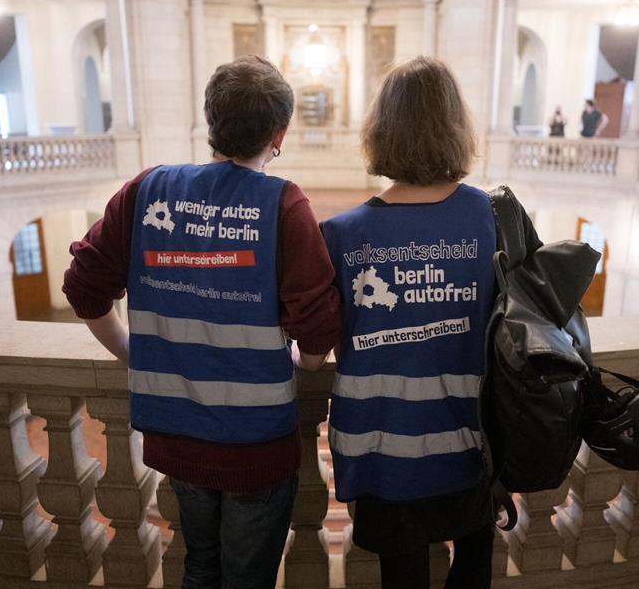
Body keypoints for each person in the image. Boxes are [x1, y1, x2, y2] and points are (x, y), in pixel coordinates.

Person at [63, 55, 340, 589]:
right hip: (255, 443)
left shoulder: (148, 189)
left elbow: (83, 285)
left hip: (177, 432)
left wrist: (132, 350)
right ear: (279, 133)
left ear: (210, 119)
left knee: (199, 567)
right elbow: (318, 324)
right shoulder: (283, 204)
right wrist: (304, 363)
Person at [321, 57, 521, 589]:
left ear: (381, 131)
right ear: (456, 126)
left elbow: (317, 335)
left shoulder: (340, 234)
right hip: (471, 440)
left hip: (382, 446)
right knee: (474, 571)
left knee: (402, 579)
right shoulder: (491, 217)